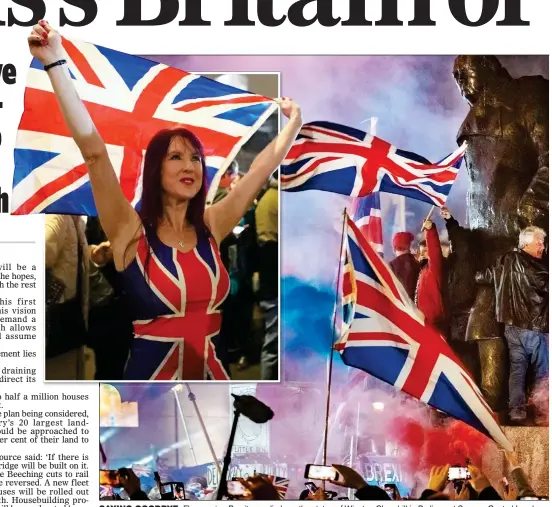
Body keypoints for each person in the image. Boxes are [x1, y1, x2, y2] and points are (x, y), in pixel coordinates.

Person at [29, 21, 302, 380]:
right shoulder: (129, 230)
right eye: (176, 157)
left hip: (213, 382)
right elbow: (94, 152)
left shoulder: (211, 223)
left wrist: (293, 124)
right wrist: (54, 63)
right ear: (155, 169)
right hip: (148, 391)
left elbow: (257, 175)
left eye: (195, 158)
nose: (190, 166)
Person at [476, 226, 548, 424]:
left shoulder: (505, 260)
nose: (542, 246)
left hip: (511, 328)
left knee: (518, 369)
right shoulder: (539, 268)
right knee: (543, 372)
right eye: (539, 242)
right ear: (525, 243)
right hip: (536, 327)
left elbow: (483, 276)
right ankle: (543, 413)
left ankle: (517, 411)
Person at [45, 214, 91, 379]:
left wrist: (94, 255)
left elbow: (70, 260)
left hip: (71, 317)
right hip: (58, 319)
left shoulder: (75, 219)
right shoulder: (58, 216)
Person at [255, 177, 279, 379]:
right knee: (273, 343)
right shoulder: (276, 199)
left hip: (269, 279)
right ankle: (266, 386)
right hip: (274, 282)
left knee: (272, 339)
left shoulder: (267, 197)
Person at [415, 220, 447, 335]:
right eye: (421, 252)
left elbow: (435, 250)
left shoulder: (434, 268)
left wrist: (430, 230)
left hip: (435, 323)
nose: (422, 254)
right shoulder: (423, 271)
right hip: (425, 323)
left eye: (425, 251)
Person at [389, 231, 419, 301]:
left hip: (400, 307)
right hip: (417, 307)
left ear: (394, 248)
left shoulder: (391, 266)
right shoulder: (418, 263)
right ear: (409, 246)